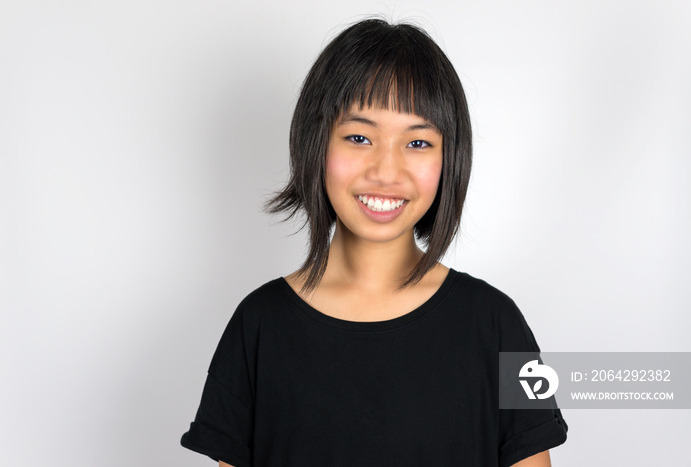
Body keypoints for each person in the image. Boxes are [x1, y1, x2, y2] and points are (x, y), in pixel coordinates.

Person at [181, 18, 568, 467]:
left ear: (450, 158)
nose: (387, 170)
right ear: (316, 143)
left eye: (418, 142)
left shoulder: (496, 324)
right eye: (359, 137)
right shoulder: (259, 326)